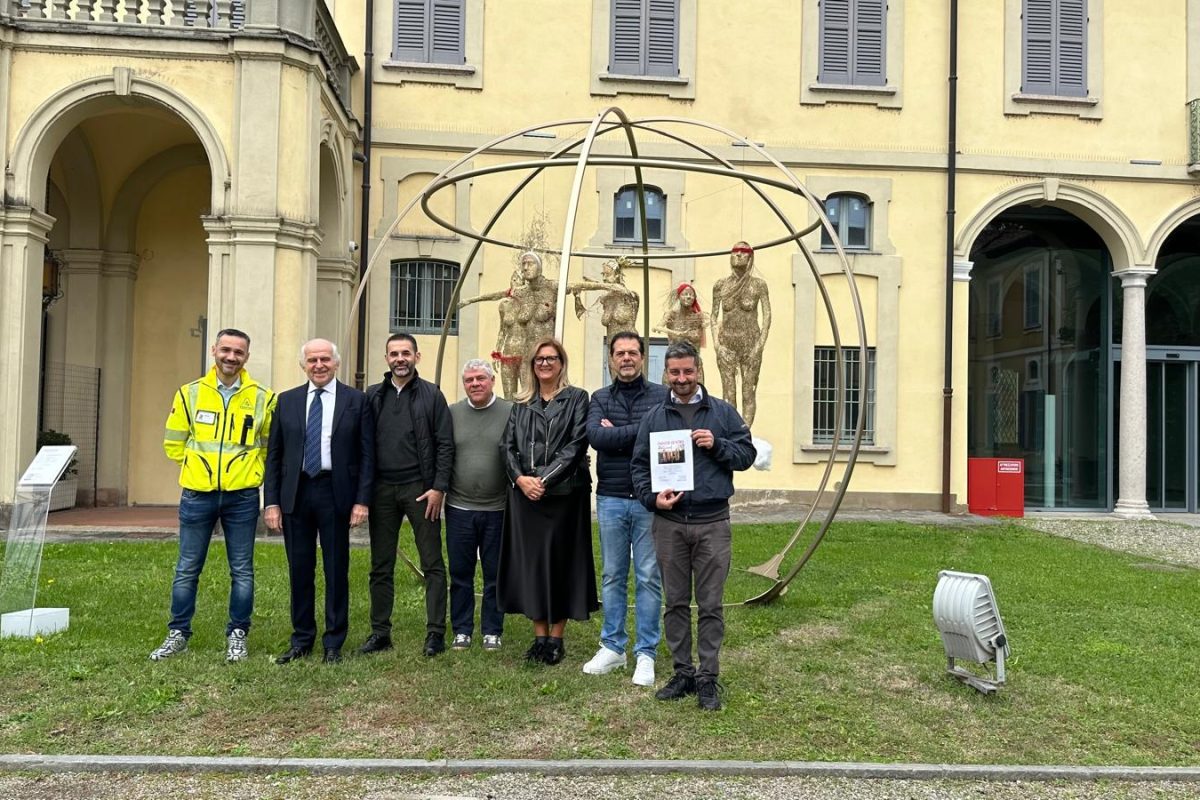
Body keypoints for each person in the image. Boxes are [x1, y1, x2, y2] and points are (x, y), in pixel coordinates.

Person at [630, 340, 756, 710]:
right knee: (676, 602)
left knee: (712, 604)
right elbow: (639, 467)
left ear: (698, 371)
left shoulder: (722, 414)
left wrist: (717, 445)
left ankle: (709, 678)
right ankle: (683, 672)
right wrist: (653, 499)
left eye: (687, 371)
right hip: (669, 524)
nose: (681, 378)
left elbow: (746, 455)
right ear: (665, 374)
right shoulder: (655, 417)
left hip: (712, 522)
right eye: (674, 372)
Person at [152, 328, 276, 663]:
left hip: (242, 496)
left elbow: (269, 446)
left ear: (246, 357)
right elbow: (173, 443)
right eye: (226, 350)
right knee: (188, 567)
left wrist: (251, 470)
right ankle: (178, 633)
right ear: (214, 351)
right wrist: (197, 466)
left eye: (238, 352)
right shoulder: (190, 393)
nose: (231, 357)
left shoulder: (264, 397)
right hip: (197, 494)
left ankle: (238, 634)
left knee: (242, 569)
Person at [263, 339, 374, 665]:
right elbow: (275, 456)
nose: (319, 365)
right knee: (300, 569)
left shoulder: (356, 401)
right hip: (296, 493)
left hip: (336, 491)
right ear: (304, 365)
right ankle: (301, 640)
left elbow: (368, 455)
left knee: (336, 568)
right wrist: (271, 502)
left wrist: (362, 500)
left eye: (325, 359)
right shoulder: (287, 401)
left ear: (336, 363)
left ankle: (333, 643)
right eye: (312, 360)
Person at [498, 337, 596, 665]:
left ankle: (557, 638)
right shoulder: (521, 404)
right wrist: (520, 479)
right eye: (539, 359)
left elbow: (576, 445)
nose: (545, 364)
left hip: (565, 497)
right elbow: (507, 446)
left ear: (561, 363)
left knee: (562, 563)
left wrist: (543, 479)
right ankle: (539, 636)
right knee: (534, 565)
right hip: (527, 499)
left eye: (551, 358)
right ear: (532, 365)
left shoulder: (577, 399)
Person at [361, 333, 455, 658]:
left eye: (405, 353)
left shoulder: (432, 395)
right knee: (380, 565)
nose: (400, 359)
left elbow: (445, 444)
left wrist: (438, 487)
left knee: (432, 563)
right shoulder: (373, 396)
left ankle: (435, 634)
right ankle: (380, 633)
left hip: (421, 489)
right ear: (386, 359)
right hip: (382, 491)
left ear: (417, 356)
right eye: (393, 354)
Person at [583, 332, 669, 687]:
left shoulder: (663, 397)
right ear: (611, 358)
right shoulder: (599, 398)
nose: (626, 358)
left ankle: (645, 653)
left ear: (644, 357)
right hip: (612, 498)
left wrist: (620, 431)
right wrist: (640, 431)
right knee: (613, 575)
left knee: (649, 577)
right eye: (620, 353)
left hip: (650, 499)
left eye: (633, 352)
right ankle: (613, 646)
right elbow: (597, 438)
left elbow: (662, 438)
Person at [445, 359, 513, 652]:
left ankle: (492, 631)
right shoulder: (452, 413)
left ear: (492, 381)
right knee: (460, 572)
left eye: (480, 379)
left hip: (498, 509)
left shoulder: (511, 412)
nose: (475, 384)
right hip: (459, 508)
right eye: (469, 379)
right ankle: (461, 630)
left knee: (494, 573)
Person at [458, 251, 557, 399]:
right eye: (514, 279)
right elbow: (502, 329)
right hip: (508, 353)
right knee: (509, 397)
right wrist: (470, 300)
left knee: (527, 394)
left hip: (525, 354)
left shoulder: (542, 291)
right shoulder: (507, 304)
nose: (525, 268)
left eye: (529, 264)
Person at [711, 241, 772, 427]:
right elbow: (713, 316)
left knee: (748, 391)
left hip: (751, 343)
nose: (738, 255)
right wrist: (717, 344)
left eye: (743, 252)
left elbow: (767, 315)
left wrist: (759, 345)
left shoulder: (759, 285)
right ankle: (731, 431)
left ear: (750, 257)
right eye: (735, 251)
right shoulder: (720, 285)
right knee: (728, 392)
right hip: (727, 343)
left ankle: (746, 433)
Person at [654, 282, 708, 384]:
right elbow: (656, 327)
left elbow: (711, 322)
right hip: (674, 362)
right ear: (679, 296)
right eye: (685, 294)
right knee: (668, 394)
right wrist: (675, 333)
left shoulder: (698, 317)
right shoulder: (671, 315)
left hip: (694, 364)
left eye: (691, 295)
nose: (688, 297)